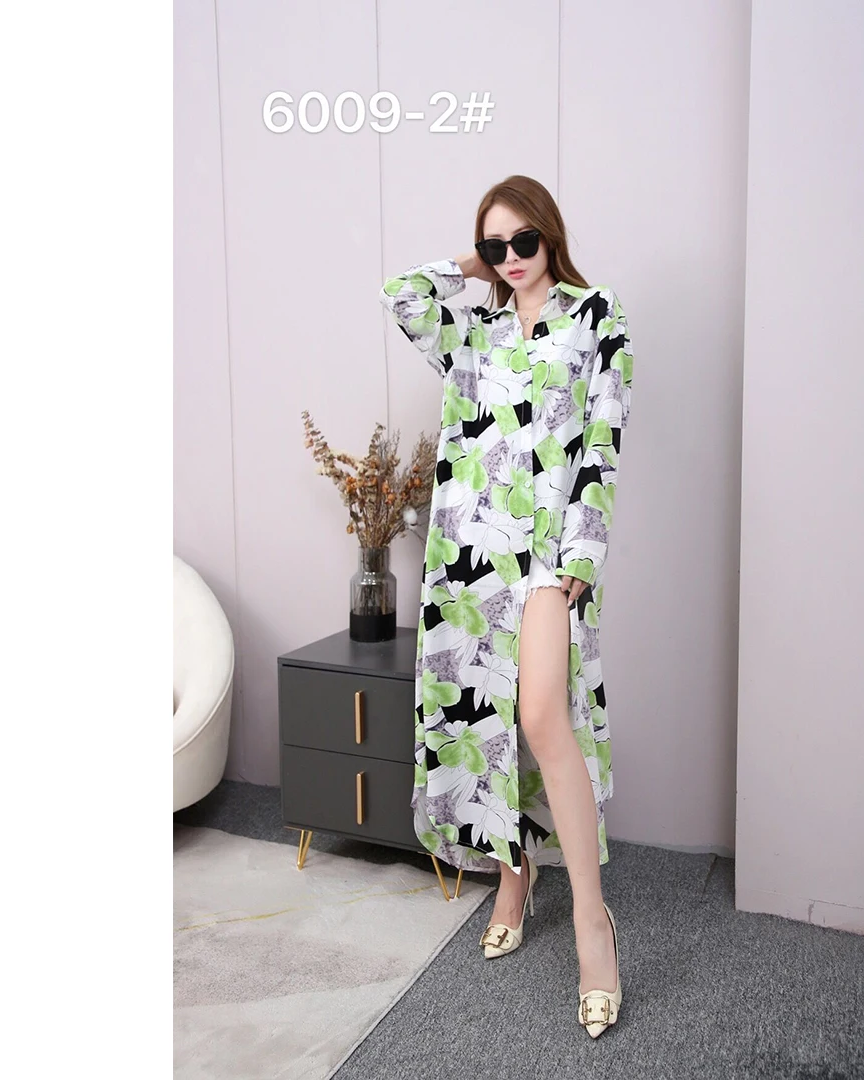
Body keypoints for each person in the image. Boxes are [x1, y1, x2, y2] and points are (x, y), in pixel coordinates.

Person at [378, 175, 633, 1037]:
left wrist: (583, 555)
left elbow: (603, 440)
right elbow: (401, 295)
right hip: (471, 558)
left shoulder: (597, 317)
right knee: (486, 723)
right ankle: (511, 878)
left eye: (525, 240)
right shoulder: (475, 331)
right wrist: (474, 266)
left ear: (550, 234)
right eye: (498, 246)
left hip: (550, 557)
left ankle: (593, 923)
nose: (513, 258)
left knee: (541, 716)